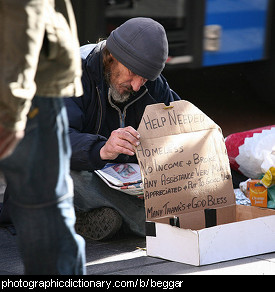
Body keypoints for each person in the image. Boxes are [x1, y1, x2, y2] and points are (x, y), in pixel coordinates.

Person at [65, 17, 181, 241]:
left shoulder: (151, 83)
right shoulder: (71, 72)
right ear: (113, 57)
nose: (137, 85)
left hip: (121, 182)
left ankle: (86, 216)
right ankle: (145, 223)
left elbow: (181, 125)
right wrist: (101, 149)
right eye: (133, 73)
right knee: (69, 175)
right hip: (77, 170)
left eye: (145, 78)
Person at [0, 0, 86, 274]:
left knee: (45, 221)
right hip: (21, 88)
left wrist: (12, 107)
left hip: (20, 88)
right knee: (46, 218)